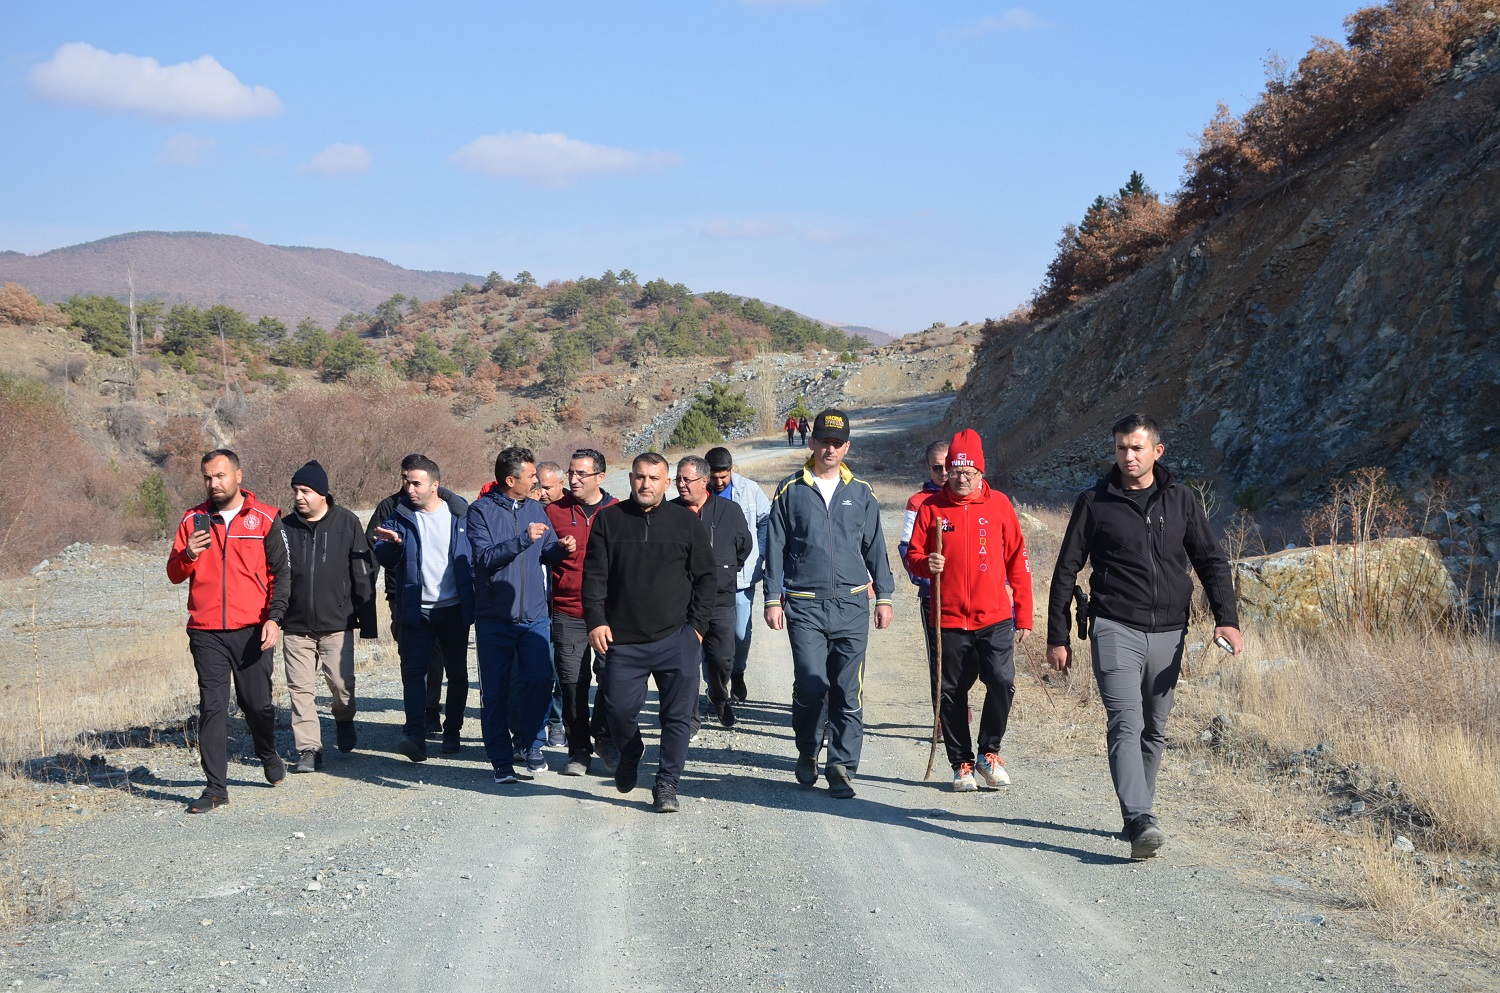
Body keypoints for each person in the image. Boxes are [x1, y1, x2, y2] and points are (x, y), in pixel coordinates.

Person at [1047, 413, 1242, 860]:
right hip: (1115, 625)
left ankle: (1138, 813)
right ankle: (1139, 818)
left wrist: (1225, 618)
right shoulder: (1095, 501)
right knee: (1125, 722)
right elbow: (1066, 569)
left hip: (1171, 631)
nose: (1128, 456)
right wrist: (1058, 635)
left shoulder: (1182, 500)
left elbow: (1211, 561)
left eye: (1137, 448)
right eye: (1120, 448)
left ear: (1157, 451)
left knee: (1154, 729)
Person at [764, 409, 895, 799]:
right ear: (811, 442)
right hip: (804, 605)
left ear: (847, 446)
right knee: (810, 684)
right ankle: (807, 750)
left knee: (846, 689)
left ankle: (840, 767)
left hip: (852, 604)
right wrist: (773, 597)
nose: (830, 448)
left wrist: (884, 596)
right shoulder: (790, 489)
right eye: (823, 441)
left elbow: (876, 548)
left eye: (837, 442)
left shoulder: (861, 491)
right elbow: (775, 547)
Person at [583, 452, 717, 813]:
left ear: (666, 483)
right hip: (622, 641)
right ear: (629, 479)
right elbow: (594, 577)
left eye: (654, 478)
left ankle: (666, 786)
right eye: (640, 477)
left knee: (677, 718)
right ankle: (631, 751)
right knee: (618, 710)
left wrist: (696, 629)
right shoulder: (608, 520)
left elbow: (706, 579)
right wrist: (596, 620)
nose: (646, 484)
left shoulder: (685, 523)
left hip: (677, 638)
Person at [903, 430, 1033, 792]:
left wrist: (1023, 613)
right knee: (951, 692)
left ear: (981, 472)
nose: (960, 478)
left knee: (1002, 681)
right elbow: (911, 556)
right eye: (954, 471)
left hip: (993, 616)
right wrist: (926, 563)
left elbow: (1018, 562)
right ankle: (961, 763)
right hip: (948, 617)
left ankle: (989, 753)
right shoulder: (931, 508)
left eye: (968, 472)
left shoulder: (1000, 506)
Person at [166, 449, 290, 813]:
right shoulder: (193, 520)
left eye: (220, 476)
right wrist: (187, 553)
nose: (213, 483)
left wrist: (274, 618)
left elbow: (282, 574)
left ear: (238, 475)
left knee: (257, 704)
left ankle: (266, 751)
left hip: (252, 629)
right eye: (207, 477)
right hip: (205, 631)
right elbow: (174, 574)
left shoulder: (266, 518)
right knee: (212, 708)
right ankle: (215, 789)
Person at [467, 447, 571, 783]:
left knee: (541, 682)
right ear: (511, 480)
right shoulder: (479, 512)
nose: (536, 481)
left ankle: (530, 743)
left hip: (535, 616)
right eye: (530, 476)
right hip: (494, 619)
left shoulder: (537, 509)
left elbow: (547, 554)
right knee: (495, 692)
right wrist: (522, 540)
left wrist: (561, 548)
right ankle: (501, 761)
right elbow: (484, 558)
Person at [372, 456, 474, 763]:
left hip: (454, 609)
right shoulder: (399, 515)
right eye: (406, 482)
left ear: (435, 485)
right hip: (417, 611)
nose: (410, 488)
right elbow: (384, 556)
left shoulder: (459, 515)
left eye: (416, 483)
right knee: (413, 675)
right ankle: (414, 736)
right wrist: (390, 545)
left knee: (457, 675)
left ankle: (452, 732)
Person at [280, 460, 377, 771]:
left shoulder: (347, 523)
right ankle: (308, 749)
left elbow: (363, 572)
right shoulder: (284, 528)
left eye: (305, 490)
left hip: (337, 622)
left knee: (340, 683)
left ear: (322, 493)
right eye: (295, 491)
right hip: (295, 625)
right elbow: (274, 575)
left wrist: (368, 620)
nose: (299, 496)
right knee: (300, 689)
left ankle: (344, 718)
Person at [545, 448, 619, 776]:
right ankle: (578, 750)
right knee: (572, 682)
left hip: (608, 614)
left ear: (600, 477)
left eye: (581, 474)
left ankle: (603, 736)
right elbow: (538, 556)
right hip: (568, 610)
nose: (573, 480)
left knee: (613, 679)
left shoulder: (618, 511)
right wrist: (554, 550)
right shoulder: (553, 512)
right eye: (570, 473)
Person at [671, 455, 750, 728]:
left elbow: (744, 547)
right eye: (677, 479)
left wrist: (724, 571)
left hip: (720, 600)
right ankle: (689, 718)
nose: (680, 485)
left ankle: (718, 697)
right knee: (685, 661)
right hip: (681, 603)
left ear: (704, 481)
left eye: (686, 479)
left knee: (722, 659)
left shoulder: (730, 511)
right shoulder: (669, 512)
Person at [705, 446, 771, 703]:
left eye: (724, 476)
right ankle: (715, 688)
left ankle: (738, 672)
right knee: (710, 636)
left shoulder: (750, 490)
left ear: (732, 470)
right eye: (714, 477)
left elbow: (766, 520)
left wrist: (761, 553)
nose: (719, 482)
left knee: (740, 634)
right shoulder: (699, 491)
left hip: (742, 577)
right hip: (708, 580)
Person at [897, 439, 950, 707]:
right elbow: (906, 547)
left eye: (948, 466)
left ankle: (958, 703)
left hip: (970, 594)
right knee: (939, 656)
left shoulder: (968, 498)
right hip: (935, 595)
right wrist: (924, 576)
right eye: (937, 468)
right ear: (928, 469)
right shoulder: (918, 502)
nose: (944, 474)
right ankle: (942, 715)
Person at [530, 459, 567, 747]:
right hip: (535, 604)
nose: (541, 492)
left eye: (547, 487)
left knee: (560, 668)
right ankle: (536, 724)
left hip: (565, 603)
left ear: (561, 484)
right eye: (537, 486)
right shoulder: (530, 512)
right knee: (539, 669)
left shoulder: (567, 512)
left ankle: (557, 722)